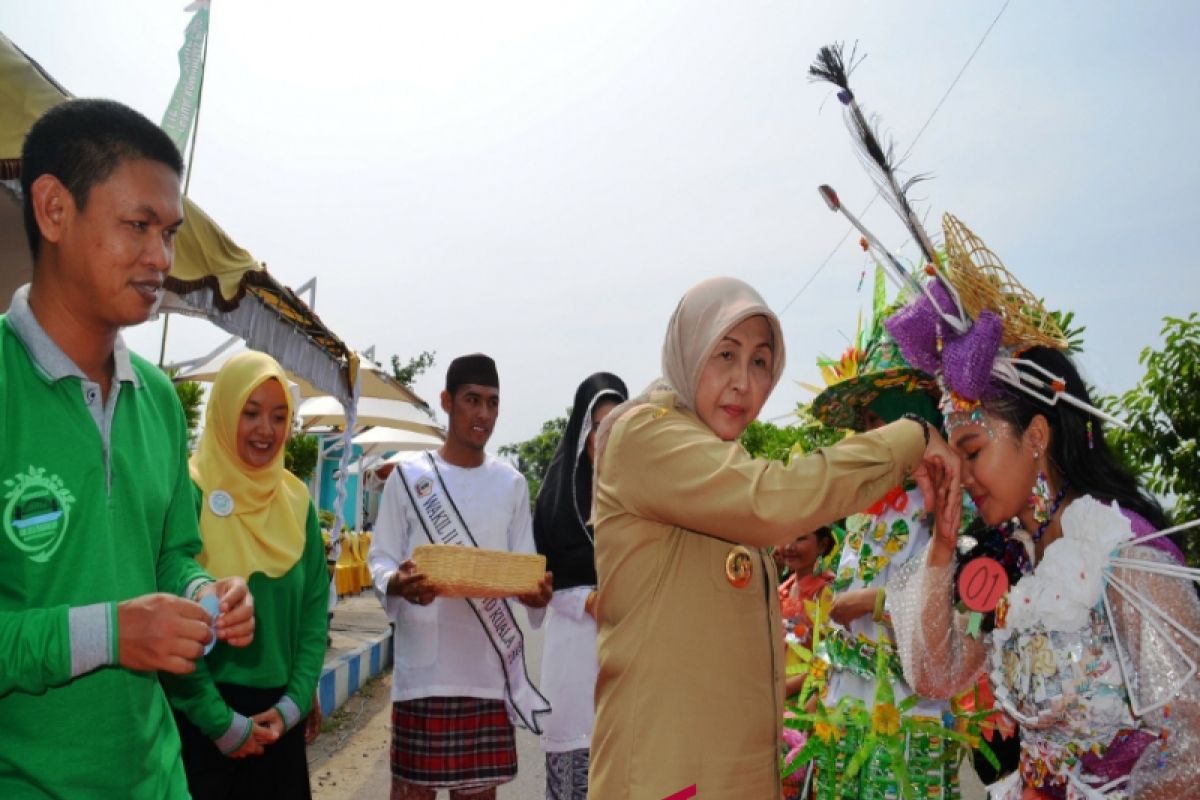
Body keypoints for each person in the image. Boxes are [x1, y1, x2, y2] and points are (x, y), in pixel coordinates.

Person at [587, 276, 963, 800]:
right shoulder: (646, 434)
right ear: (688, 349)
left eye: (760, 362)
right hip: (667, 770)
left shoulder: (716, 461)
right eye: (725, 354)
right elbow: (772, 500)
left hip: (734, 771)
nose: (743, 381)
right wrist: (910, 437)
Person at [884, 216, 1200, 798]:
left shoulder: (1121, 552)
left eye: (971, 449)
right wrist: (944, 545)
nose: (961, 472)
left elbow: (1192, 750)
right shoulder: (1009, 563)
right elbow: (936, 674)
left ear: (1036, 436)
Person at [0, 98, 254, 798]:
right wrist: (109, 635)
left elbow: (168, 553)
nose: (161, 259)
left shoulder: (160, 400)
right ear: (53, 210)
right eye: (138, 226)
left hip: (158, 777)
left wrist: (204, 594)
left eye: (168, 233)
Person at [369, 353, 554, 800]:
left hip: (487, 676)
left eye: (493, 403)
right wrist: (398, 583)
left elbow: (524, 572)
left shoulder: (510, 484)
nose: (484, 415)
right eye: (472, 400)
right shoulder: (410, 477)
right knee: (410, 793)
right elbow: (381, 559)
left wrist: (536, 595)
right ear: (447, 402)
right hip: (423, 675)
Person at [164, 351, 328, 798]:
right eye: (250, 413)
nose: (266, 430)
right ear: (223, 413)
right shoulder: (187, 492)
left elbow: (314, 616)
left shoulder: (298, 502)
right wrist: (219, 721)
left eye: (279, 417)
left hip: (280, 722)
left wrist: (294, 703)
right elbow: (169, 610)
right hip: (202, 720)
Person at [533, 371, 628, 800]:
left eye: (616, 426)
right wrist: (586, 599)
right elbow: (541, 581)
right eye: (597, 427)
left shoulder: (644, 497)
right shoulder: (556, 502)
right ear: (583, 431)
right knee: (572, 781)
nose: (604, 438)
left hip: (630, 664)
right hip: (574, 658)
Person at [778, 525, 836, 656]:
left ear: (822, 545)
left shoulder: (826, 590)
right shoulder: (784, 588)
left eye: (799, 538)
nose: (788, 547)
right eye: (784, 537)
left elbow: (827, 650)